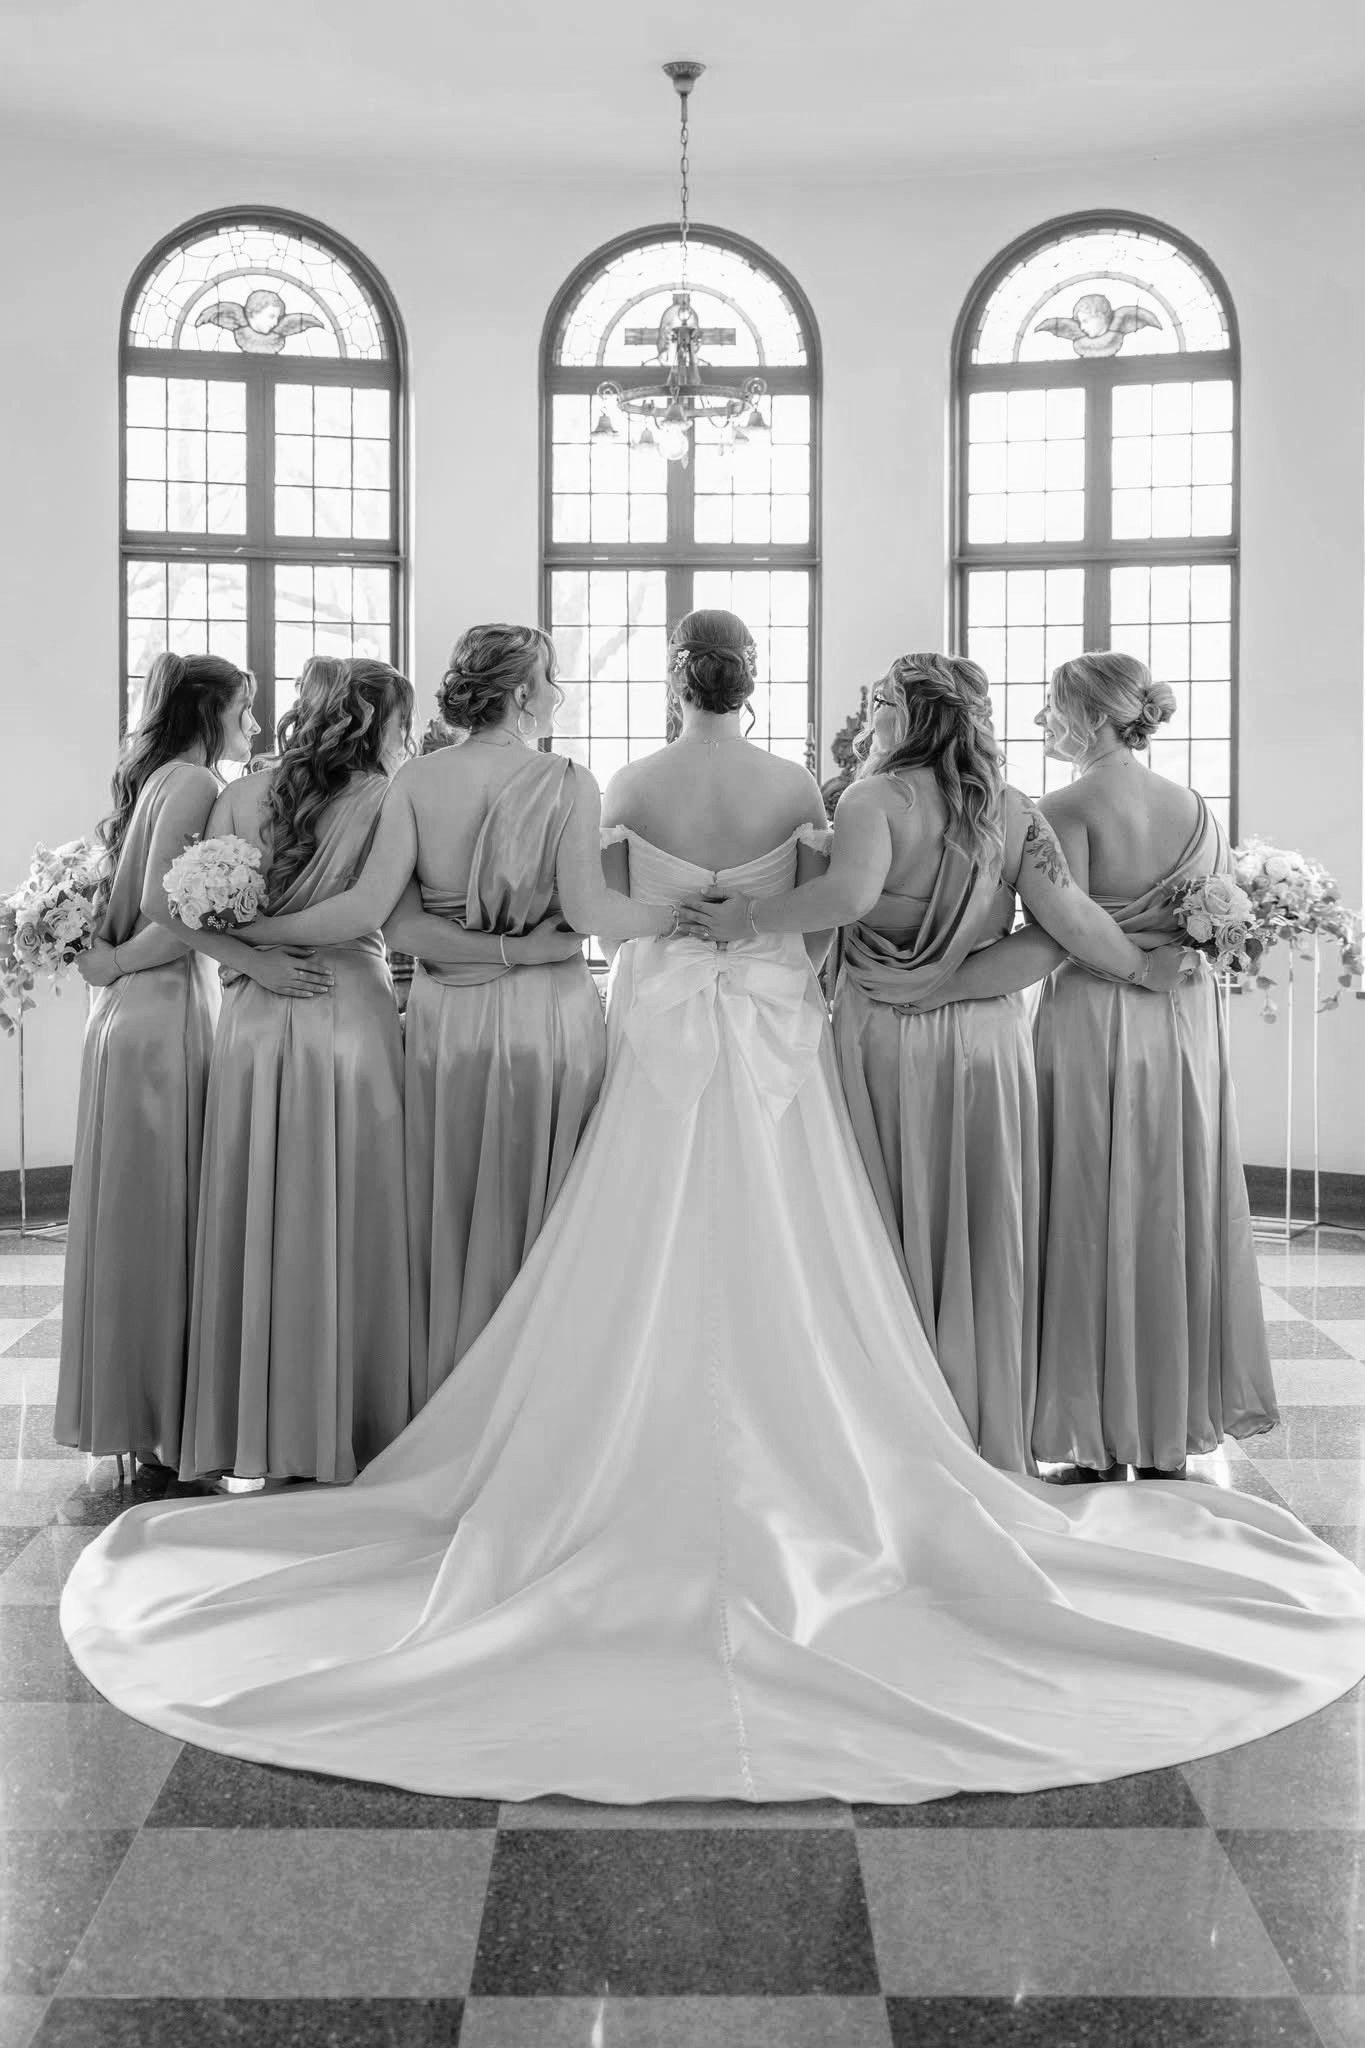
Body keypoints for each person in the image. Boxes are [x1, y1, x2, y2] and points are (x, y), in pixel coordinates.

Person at [60, 612, 1365, 1807]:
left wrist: (680, 918)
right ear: (755, 687)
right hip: (773, 1035)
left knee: (625, 1229)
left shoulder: (623, 784)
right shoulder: (807, 788)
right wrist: (755, 919)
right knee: (799, 1242)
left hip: (654, 1019)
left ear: (680, 684)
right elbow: (820, 923)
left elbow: (609, 910)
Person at [690, 652, 1184, 1473]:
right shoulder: (1014, 810)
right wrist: (1135, 967)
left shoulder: (871, 799)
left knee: (873, 1222)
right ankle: (980, 1429)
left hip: (879, 1031)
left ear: (912, 714)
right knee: (984, 1230)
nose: (872, 714)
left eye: (881, 700)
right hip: (986, 1041)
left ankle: (888, 1422)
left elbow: (847, 900)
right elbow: (1064, 921)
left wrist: (747, 917)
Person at [230, 624, 683, 1401]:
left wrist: (256, 933)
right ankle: (546, 1394)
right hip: (548, 1020)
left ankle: (452, 1394)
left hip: (446, 1023)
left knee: (449, 1204)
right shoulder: (568, 780)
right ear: (518, 694)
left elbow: (391, 922)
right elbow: (591, 911)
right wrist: (675, 916)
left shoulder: (415, 782)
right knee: (549, 1208)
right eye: (550, 678)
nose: (557, 692)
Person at [930, 653, 1276, 1481]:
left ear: (1086, 716)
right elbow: (1209, 924)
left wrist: (935, 979)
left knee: (1084, 1206)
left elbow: (1060, 933)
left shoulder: (1063, 806)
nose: (1040, 725)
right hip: (1185, 1025)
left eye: (1049, 709)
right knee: (1170, 1203)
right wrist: (1161, 965)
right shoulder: (1194, 806)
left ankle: (1088, 1433)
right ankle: (1163, 1427)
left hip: (1094, 1019)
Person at [55, 653, 323, 1475]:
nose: (253, 721)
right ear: (212, 711)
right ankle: (161, 1416)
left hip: (124, 1019)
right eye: (244, 707)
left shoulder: (153, 779)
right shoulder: (201, 786)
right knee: (162, 1218)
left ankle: (133, 1415)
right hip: (162, 1008)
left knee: (127, 1212)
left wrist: (102, 960)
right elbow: (180, 911)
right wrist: (122, 964)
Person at [158, 660, 417, 1484]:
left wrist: (253, 953)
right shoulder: (389, 797)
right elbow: (365, 913)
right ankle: (355, 1420)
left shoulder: (240, 794)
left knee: (258, 1207)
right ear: (378, 725)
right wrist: (282, 944)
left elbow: (182, 909)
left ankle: (255, 1425)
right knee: (353, 1207)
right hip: (348, 1009)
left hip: (256, 1013)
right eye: (401, 725)